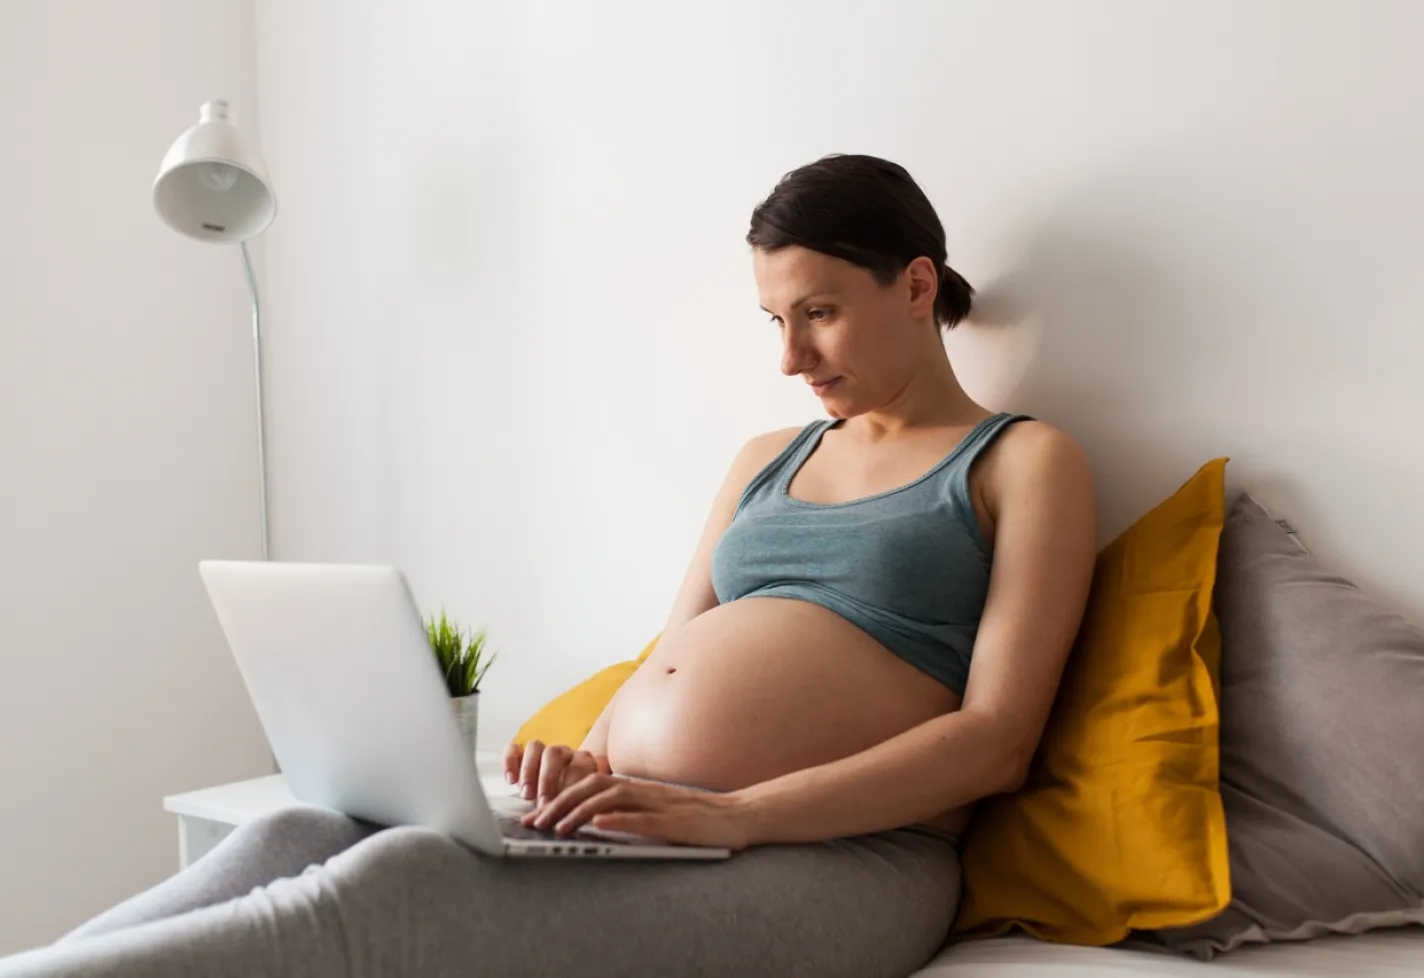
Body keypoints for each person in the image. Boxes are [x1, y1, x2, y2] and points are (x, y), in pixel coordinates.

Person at [0, 154, 1097, 978]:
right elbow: (673, 652)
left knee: (402, 888)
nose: (788, 357)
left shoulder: (1020, 461)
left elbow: (995, 741)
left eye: (819, 314)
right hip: (649, 819)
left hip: (852, 858)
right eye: (773, 318)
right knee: (300, 830)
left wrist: (741, 814)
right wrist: (585, 757)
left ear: (915, 286)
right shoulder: (768, 457)